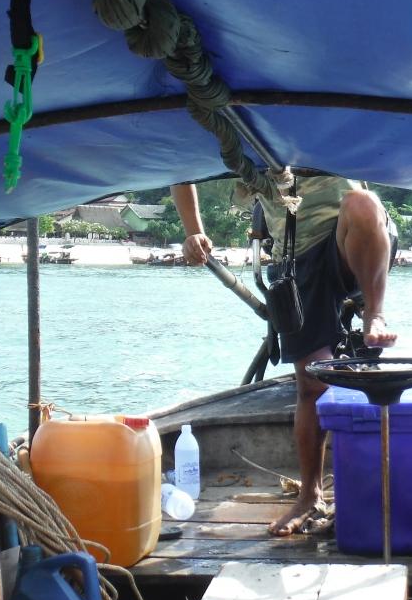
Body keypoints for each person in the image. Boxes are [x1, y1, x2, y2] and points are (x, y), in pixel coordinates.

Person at [170, 175, 397, 536]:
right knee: (312, 384)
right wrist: (193, 231)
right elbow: (182, 169)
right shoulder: (242, 142)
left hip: (352, 236)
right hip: (296, 255)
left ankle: (374, 312)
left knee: (362, 202)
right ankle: (310, 495)